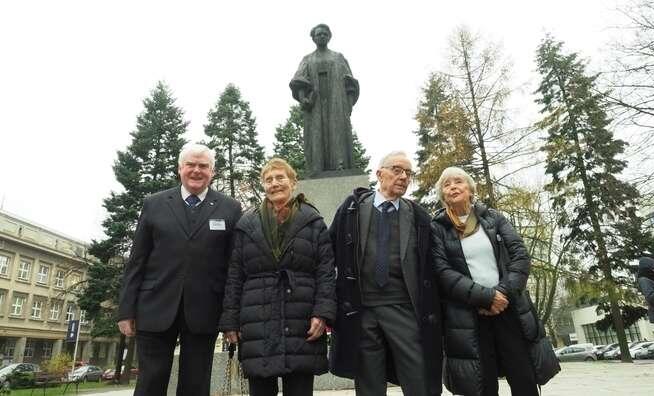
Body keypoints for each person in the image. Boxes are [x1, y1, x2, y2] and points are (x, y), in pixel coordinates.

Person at [116, 143, 242, 396]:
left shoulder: (230, 208)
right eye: (190, 165)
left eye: (203, 166)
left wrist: (232, 315)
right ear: (180, 169)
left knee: (196, 384)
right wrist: (126, 310)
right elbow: (137, 260)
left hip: (205, 310)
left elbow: (234, 267)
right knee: (150, 383)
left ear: (212, 171)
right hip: (155, 306)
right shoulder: (154, 204)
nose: (196, 170)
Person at [328, 151, 442, 396]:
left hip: (404, 308)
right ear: (380, 174)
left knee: (419, 380)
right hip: (362, 310)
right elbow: (328, 253)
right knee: (369, 384)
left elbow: (433, 266)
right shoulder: (352, 208)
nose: (403, 177)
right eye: (397, 170)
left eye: (408, 173)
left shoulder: (418, 216)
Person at [220, 158, 336, 396]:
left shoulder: (313, 222)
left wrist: (322, 313)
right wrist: (230, 320)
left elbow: (325, 271)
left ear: (293, 182)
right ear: (263, 185)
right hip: (257, 318)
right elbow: (235, 275)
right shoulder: (246, 223)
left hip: (301, 318)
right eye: (268, 179)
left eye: (280, 178)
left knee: (299, 389)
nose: (274, 184)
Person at [430, 166, 543, 396]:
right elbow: (442, 272)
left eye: (458, 181)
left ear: (471, 189)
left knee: (523, 378)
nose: (453, 187)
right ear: (443, 195)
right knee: (483, 386)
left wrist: (502, 294)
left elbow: (520, 257)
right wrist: (485, 297)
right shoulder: (437, 229)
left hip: (508, 309)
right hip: (468, 318)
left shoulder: (494, 218)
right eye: (446, 184)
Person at [289, 23, 359, 176]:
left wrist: (348, 105)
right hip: (315, 105)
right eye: (318, 34)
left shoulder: (338, 58)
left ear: (329, 37)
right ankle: (317, 167)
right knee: (316, 134)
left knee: (337, 131)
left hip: (337, 102)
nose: (321, 36)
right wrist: (303, 98)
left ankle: (341, 164)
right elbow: (298, 81)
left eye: (324, 34)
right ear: (313, 38)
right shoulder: (307, 59)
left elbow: (350, 83)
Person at [636, 256, 654, 350]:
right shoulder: (644, 279)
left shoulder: (653, 278)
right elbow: (650, 296)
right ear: (647, 267)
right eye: (653, 266)